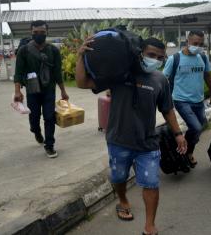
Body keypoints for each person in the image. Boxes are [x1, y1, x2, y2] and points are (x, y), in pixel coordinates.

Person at [76, 36, 187, 235]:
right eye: (150, 54)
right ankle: (123, 200)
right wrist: (80, 56)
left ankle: (150, 225)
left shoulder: (160, 80)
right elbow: (83, 83)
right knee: (119, 177)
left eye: (159, 57)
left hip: (148, 143)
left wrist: (178, 133)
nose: (155, 59)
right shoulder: (120, 74)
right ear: (140, 53)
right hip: (119, 141)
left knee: (151, 183)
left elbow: (167, 109)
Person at [13, 20, 69, 158]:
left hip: (49, 88)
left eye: (42, 32)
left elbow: (57, 72)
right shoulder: (24, 50)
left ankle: (49, 145)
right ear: (31, 32)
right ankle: (36, 131)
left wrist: (63, 90)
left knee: (49, 117)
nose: (39, 35)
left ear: (47, 32)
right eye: (35, 32)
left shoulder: (53, 50)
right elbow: (18, 72)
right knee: (34, 116)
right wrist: (17, 91)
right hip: (32, 89)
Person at [163, 30, 211, 168]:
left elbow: (208, 77)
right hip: (181, 100)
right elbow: (163, 80)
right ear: (187, 41)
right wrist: (162, 99)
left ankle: (184, 148)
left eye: (201, 44)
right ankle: (188, 152)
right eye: (195, 43)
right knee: (196, 128)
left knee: (199, 126)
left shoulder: (202, 58)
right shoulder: (174, 59)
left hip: (199, 100)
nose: (198, 46)